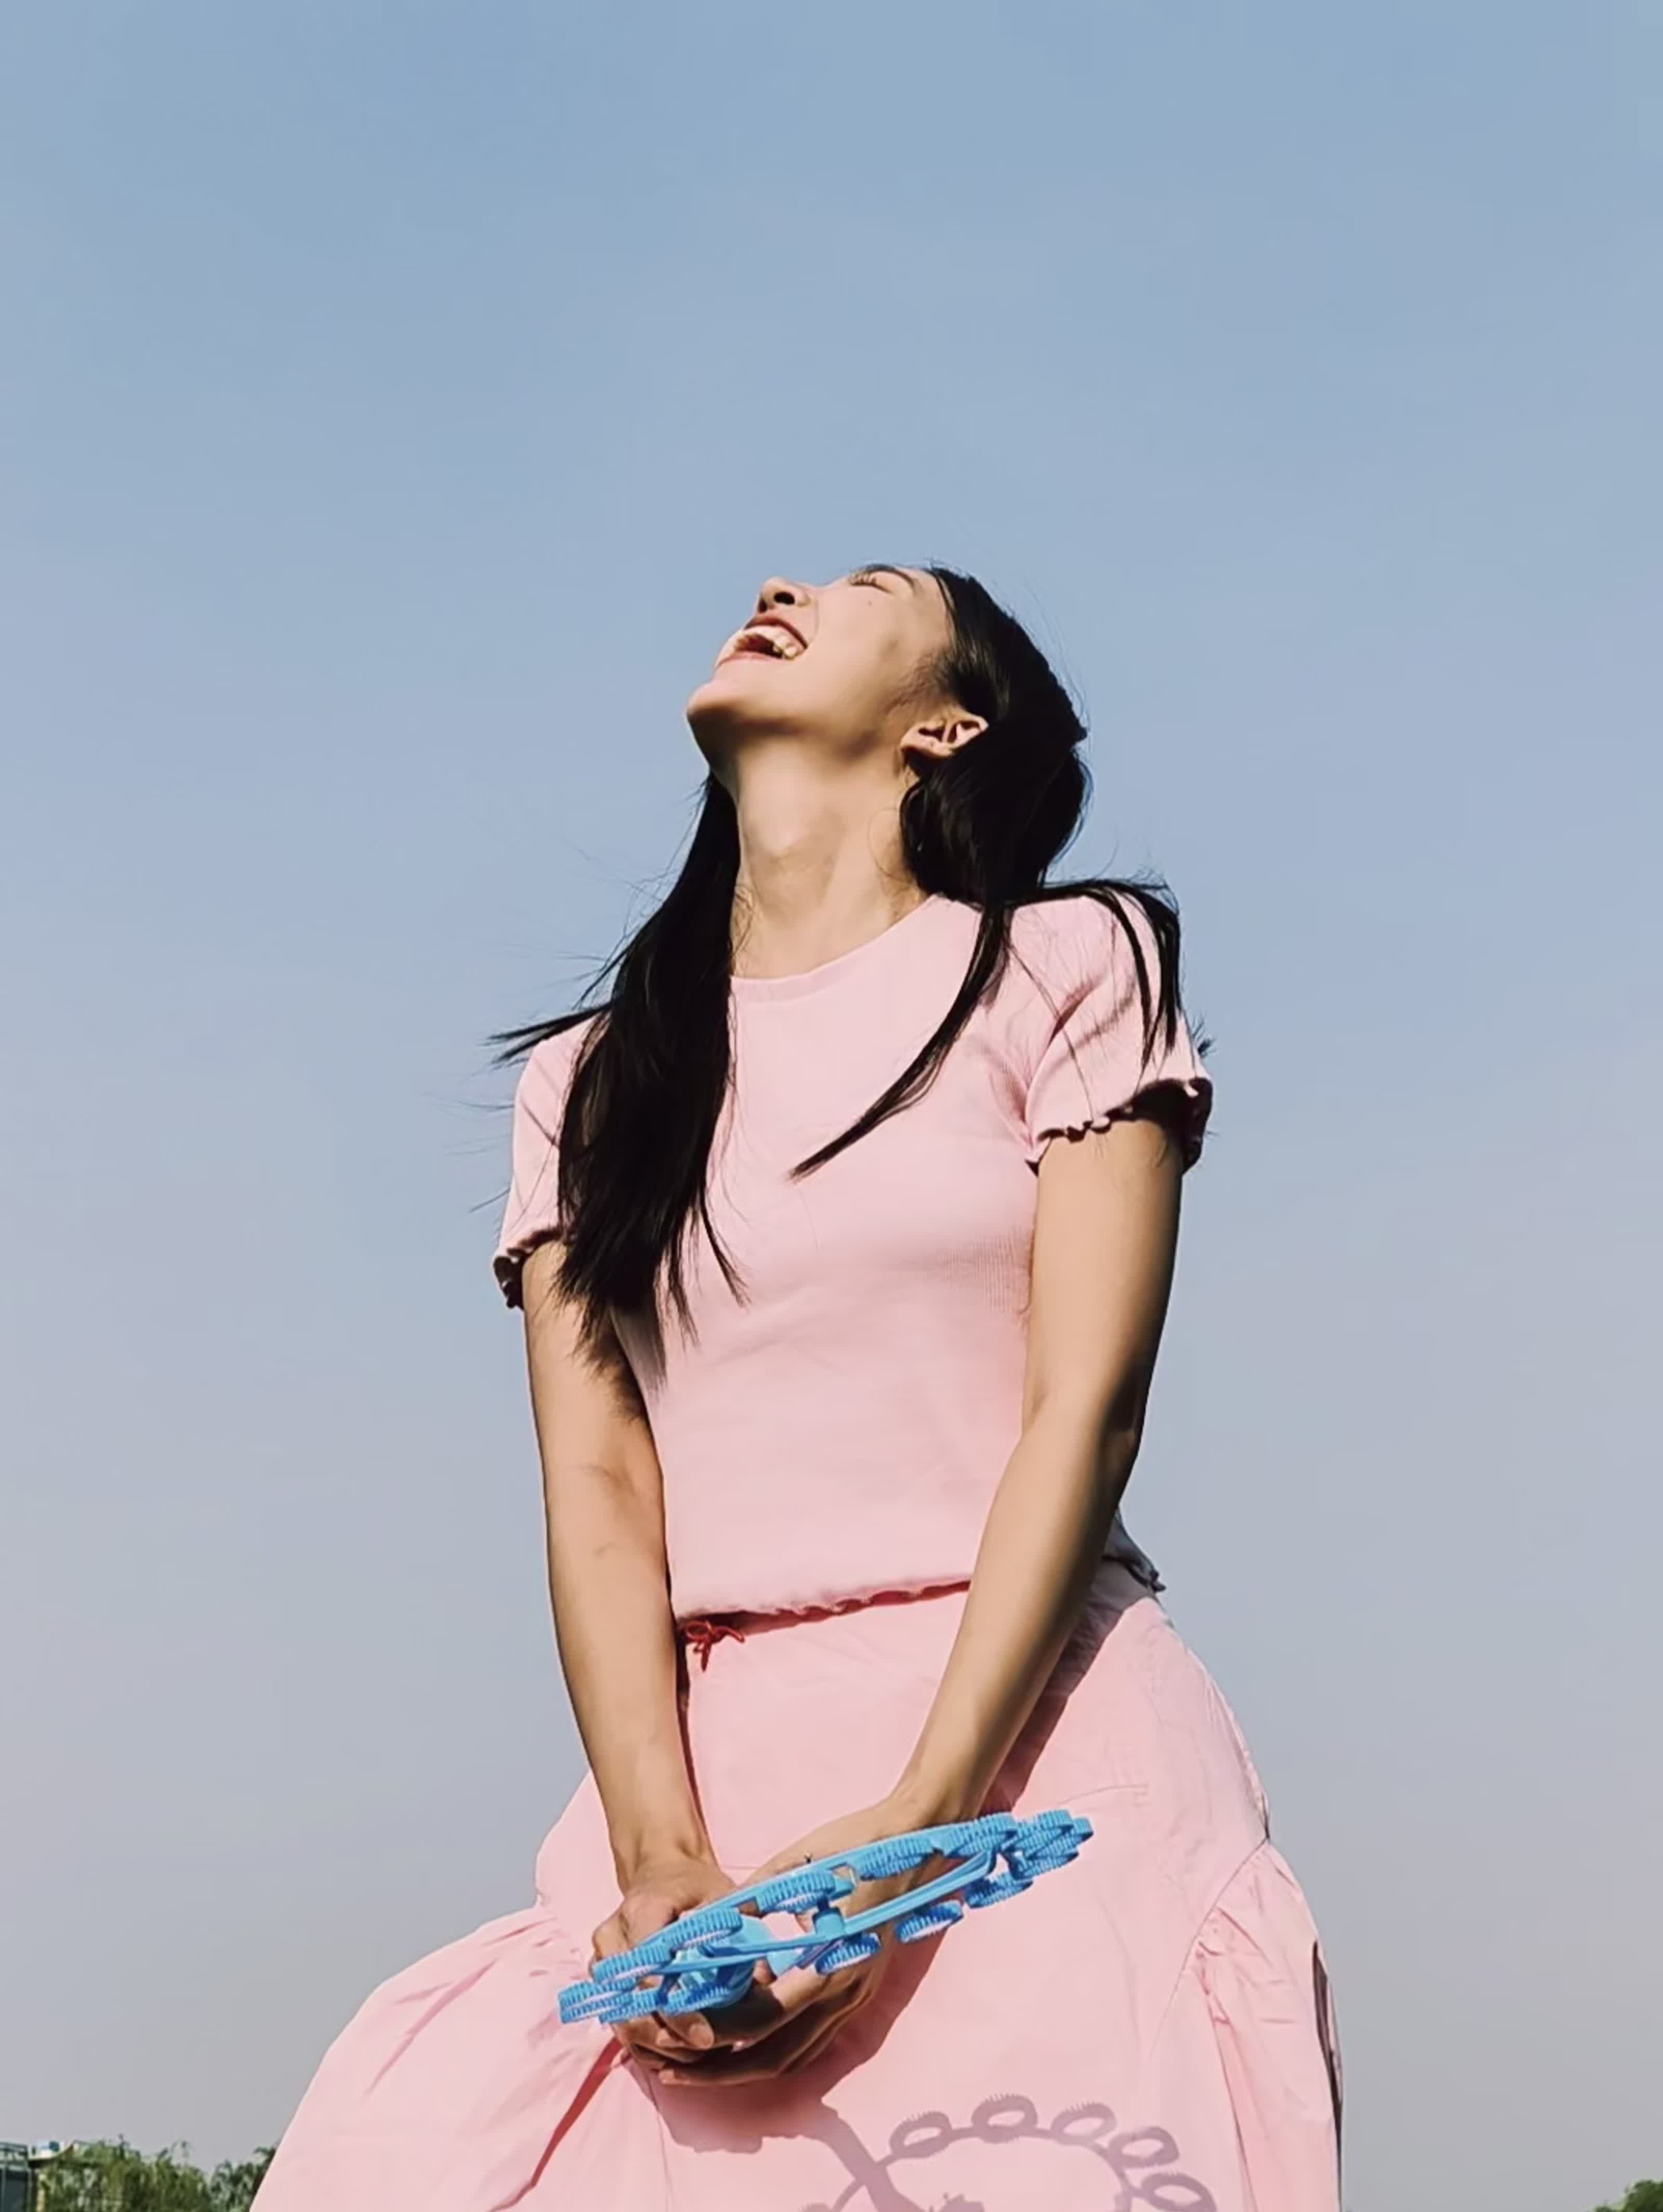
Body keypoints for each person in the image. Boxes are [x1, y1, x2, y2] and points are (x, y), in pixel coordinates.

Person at [254, 564, 1343, 2211]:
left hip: (1027, 1741)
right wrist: (655, 1856)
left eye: (864, 588)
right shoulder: (591, 1084)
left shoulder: (1068, 962)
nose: (779, 588)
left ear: (946, 724)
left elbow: (1087, 1410)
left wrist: (920, 1841)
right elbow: (600, 1491)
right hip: (706, 1769)